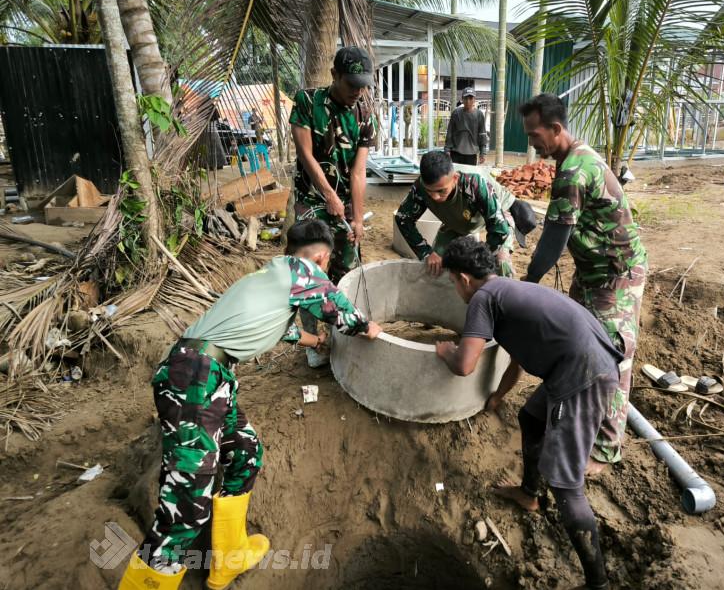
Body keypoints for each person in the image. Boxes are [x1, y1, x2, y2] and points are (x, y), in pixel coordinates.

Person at [117, 220, 382, 590]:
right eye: (324, 264)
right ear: (321, 257)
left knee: (245, 451)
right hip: (194, 379)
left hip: (208, 378)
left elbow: (282, 328)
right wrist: (371, 328)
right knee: (186, 508)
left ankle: (229, 558)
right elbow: (342, 312)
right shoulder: (301, 271)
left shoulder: (270, 277)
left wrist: (313, 342)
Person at [435, 237, 620, 590]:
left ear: (463, 278)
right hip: (585, 363)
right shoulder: (508, 290)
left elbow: (464, 365)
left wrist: (446, 351)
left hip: (580, 377)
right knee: (531, 418)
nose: (455, 289)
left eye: (452, 283)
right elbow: (517, 359)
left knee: (566, 484)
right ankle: (530, 494)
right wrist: (499, 397)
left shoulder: (482, 299)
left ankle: (598, 582)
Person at [519, 93, 647, 475]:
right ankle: (575, 411)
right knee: (578, 345)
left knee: (613, 355)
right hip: (591, 272)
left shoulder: (574, 170)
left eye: (534, 133)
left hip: (617, 276)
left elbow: (553, 242)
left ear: (556, 129)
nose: (531, 141)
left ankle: (606, 450)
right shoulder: (573, 158)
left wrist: (528, 282)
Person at [290, 46, 376, 367]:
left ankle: (339, 331)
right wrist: (328, 193)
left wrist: (356, 218)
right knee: (311, 271)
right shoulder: (306, 102)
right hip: (312, 201)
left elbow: (358, 171)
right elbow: (305, 155)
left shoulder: (365, 114)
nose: (358, 91)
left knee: (346, 265)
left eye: (363, 84)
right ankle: (313, 343)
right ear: (334, 76)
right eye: (352, 83)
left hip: (343, 204)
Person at [395, 150, 528, 278]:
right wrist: (426, 253)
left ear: (455, 178)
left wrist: (481, 261)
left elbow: (499, 230)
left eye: (441, 191)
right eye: (430, 192)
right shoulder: (420, 188)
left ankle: (502, 298)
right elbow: (403, 218)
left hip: (498, 218)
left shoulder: (475, 184)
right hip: (457, 222)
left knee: (500, 265)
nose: (435, 197)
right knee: (436, 266)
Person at [445, 87, 489, 165]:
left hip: (471, 154)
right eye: (466, 98)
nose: (468, 101)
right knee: (456, 176)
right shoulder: (456, 113)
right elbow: (450, 132)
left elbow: (482, 134)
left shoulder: (479, 115)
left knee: (470, 176)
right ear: (462, 99)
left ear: (474, 99)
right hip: (456, 152)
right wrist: (447, 150)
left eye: (470, 98)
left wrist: (483, 152)